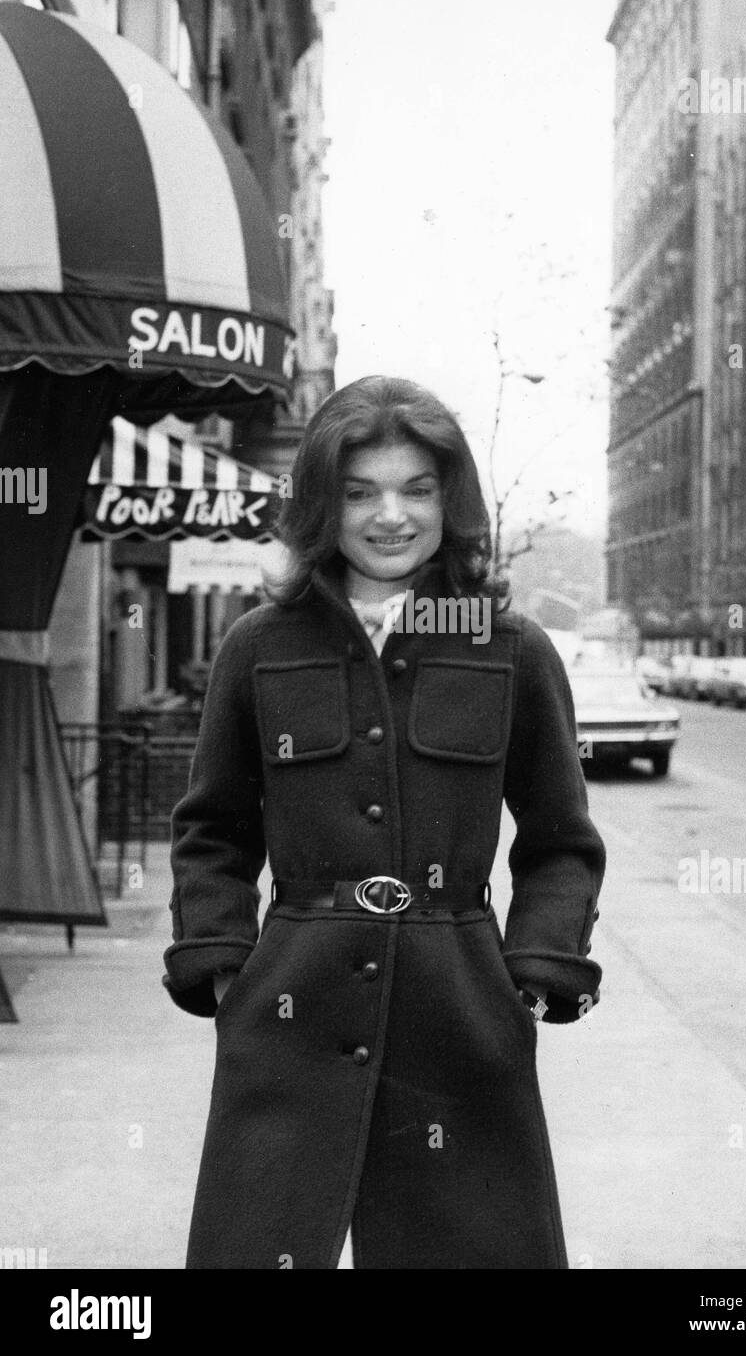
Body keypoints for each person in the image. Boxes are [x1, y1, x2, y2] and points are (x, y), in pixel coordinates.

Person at [163, 375, 606, 1270]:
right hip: (291, 1005)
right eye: (360, 492)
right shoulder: (260, 644)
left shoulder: (509, 648)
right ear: (324, 504)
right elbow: (213, 828)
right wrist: (226, 972)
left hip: (458, 1006)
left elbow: (560, 840)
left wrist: (524, 979)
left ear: (453, 500)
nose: (389, 516)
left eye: (417, 489)